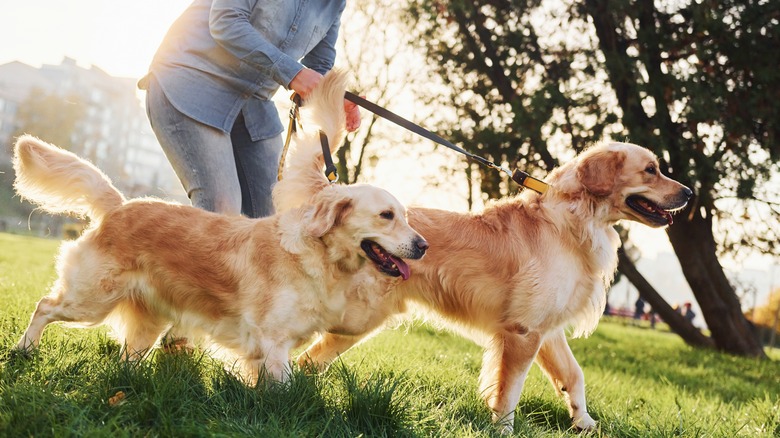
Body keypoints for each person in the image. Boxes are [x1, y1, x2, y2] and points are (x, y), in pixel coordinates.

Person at [139, 0, 361, 219]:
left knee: (279, 217)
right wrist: (292, 73)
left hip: (255, 105)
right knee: (222, 210)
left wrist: (332, 100)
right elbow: (226, 21)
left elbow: (319, 66)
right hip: (191, 82)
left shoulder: (334, 4)